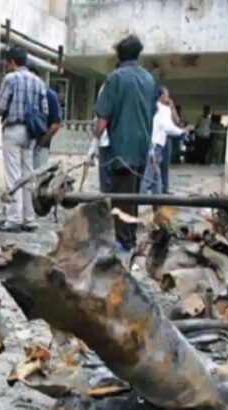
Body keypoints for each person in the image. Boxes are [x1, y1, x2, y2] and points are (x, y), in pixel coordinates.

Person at [94, 34, 156, 250]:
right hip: (141, 147)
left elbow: (103, 118)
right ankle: (129, 237)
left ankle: (123, 241)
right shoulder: (149, 79)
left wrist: (94, 140)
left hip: (121, 147)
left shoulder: (116, 78)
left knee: (120, 196)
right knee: (134, 195)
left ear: (119, 55)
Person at [0, 46, 48, 233]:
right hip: (31, 132)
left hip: (13, 129)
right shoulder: (39, 82)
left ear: (12, 62)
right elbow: (45, 111)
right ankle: (29, 218)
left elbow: (1, 107)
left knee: (13, 176)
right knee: (27, 175)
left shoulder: (10, 79)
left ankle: (14, 218)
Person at [139, 87, 188, 195]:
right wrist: (181, 132)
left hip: (153, 145)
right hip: (155, 146)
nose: (168, 99)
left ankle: (158, 201)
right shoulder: (163, 109)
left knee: (157, 178)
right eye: (166, 96)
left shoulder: (153, 107)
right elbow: (168, 127)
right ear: (161, 96)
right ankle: (138, 199)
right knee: (148, 177)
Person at [29, 67, 62, 169]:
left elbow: (55, 124)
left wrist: (42, 142)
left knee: (38, 172)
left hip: (40, 145)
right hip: (24, 142)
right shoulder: (25, 94)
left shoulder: (49, 95)